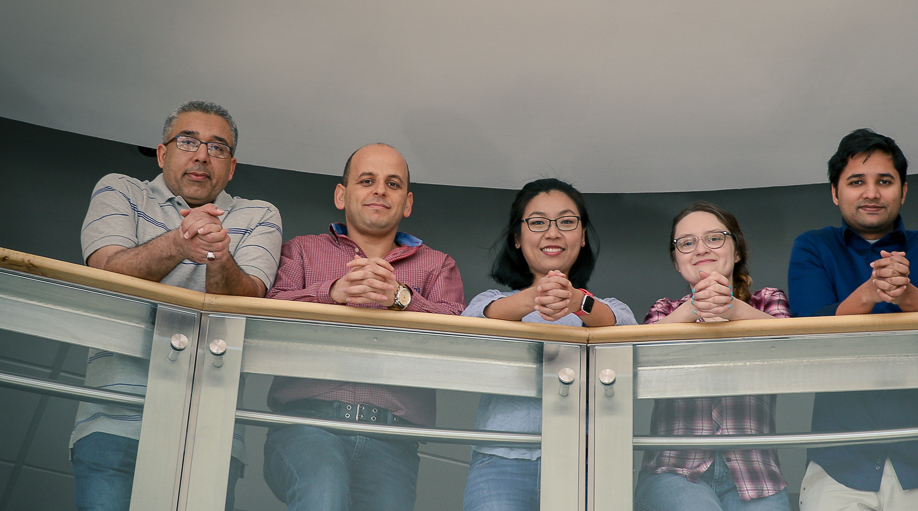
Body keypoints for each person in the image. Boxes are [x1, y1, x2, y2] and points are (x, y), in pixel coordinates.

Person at [76, 100, 282, 511]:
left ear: (232, 167)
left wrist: (219, 257)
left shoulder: (261, 215)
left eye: (218, 147)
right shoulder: (120, 189)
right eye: (188, 141)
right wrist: (179, 243)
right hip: (113, 421)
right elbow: (107, 272)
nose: (202, 155)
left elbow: (249, 301)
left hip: (210, 430)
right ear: (162, 152)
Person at [262, 143, 465, 511]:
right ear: (342, 195)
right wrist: (332, 293)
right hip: (305, 423)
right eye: (367, 180)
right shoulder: (302, 250)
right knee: (323, 495)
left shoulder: (438, 265)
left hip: (393, 438)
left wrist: (403, 299)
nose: (380, 191)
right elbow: (265, 312)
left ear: (407, 203)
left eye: (393, 184)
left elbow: (459, 342)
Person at [788, 128, 918, 510]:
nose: (871, 192)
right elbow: (810, 332)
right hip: (838, 459)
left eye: (884, 181)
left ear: (903, 191)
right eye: (856, 182)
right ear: (835, 192)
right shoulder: (813, 246)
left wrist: (907, 295)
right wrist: (871, 292)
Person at [462, 178, 636, 511]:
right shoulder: (492, 300)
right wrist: (534, 298)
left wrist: (576, 302)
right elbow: (475, 323)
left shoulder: (606, 308)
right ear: (517, 238)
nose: (553, 233)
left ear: (583, 236)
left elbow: (623, 326)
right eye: (538, 222)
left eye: (567, 222)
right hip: (501, 461)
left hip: (583, 462)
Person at [634, 201, 792, 511]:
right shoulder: (665, 310)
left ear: (736, 251)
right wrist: (692, 309)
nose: (701, 248)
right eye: (687, 243)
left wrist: (731, 308)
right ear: (678, 262)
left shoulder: (768, 301)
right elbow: (641, 353)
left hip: (757, 476)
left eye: (714, 238)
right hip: (673, 470)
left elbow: (787, 343)